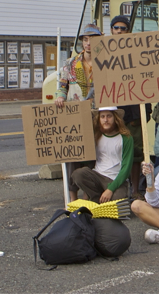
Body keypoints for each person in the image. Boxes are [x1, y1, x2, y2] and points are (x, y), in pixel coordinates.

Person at [55, 23, 102, 201]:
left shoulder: (106, 60)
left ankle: (88, 198)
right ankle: (72, 200)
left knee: (94, 158)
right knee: (73, 156)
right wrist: (60, 96)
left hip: (98, 115)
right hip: (75, 115)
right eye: (85, 39)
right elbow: (62, 85)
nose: (89, 43)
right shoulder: (71, 62)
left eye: (93, 39)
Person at [109, 14, 152, 200]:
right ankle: (116, 188)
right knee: (114, 153)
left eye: (123, 28)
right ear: (111, 30)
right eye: (116, 28)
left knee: (135, 155)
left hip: (134, 113)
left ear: (129, 31)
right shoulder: (105, 53)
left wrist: (146, 110)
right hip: (113, 112)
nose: (119, 31)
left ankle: (135, 191)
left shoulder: (138, 52)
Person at [71, 106, 133, 204]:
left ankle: (101, 200)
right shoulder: (96, 135)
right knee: (78, 174)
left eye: (109, 116)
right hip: (98, 175)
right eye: (102, 117)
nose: (106, 120)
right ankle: (96, 199)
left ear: (115, 118)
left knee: (117, 200)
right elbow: (87, 159)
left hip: (115, 178)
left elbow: (126, 168)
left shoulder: (126, 138)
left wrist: (110, 189)